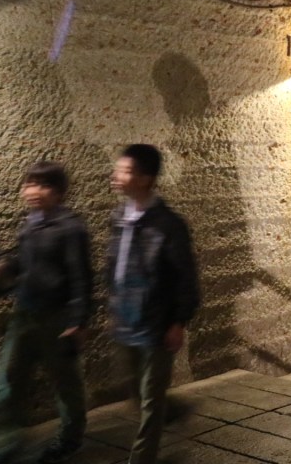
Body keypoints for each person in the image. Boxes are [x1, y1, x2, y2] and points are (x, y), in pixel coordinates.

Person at [106, 144, 199, 464]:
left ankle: (142, 458)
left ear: (145, 179)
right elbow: (114, 266)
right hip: (125, 319)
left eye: (126, 171)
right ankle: (174, 410)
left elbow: (185, 276)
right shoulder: (119, 217)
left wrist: (178, 321)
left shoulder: (168, 224)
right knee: (137, 392)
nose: (117, 176)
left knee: (150, 400)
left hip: (156, 322)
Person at [0, 161, 92, 464]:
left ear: (60, 192)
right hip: (25, 314)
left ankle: (70, 439)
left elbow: (81, 277)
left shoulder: (71, 228)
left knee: (65, 382)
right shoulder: (30, 223)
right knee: (7, 379)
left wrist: (78, 321)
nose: (34, 191)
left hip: (57, 317)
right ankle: (6, 443)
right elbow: (26, 265)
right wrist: (7, 268)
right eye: (30, 184)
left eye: (44, 185)